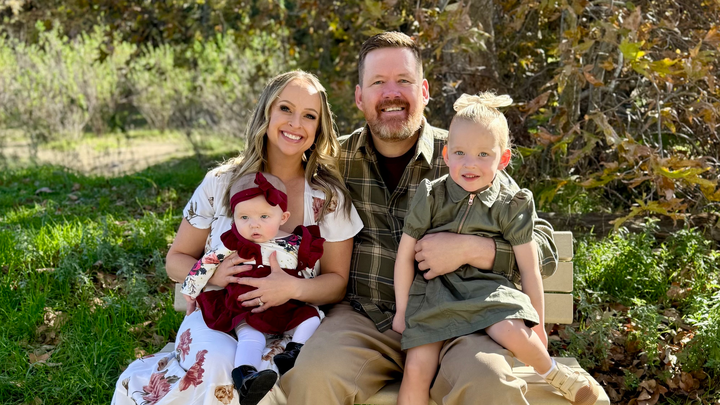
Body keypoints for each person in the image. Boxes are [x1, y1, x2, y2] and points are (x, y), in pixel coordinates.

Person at [281, 32, 559, 405]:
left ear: (424, 91)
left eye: (404, 80)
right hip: (367, 318)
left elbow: (544, 245)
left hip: (462, 320)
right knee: (312, 378)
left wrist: (474, 250)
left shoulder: (464, 152)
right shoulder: (334, 161)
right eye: (378, 82)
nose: (391, 93)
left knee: (490, 385)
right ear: (360, 97)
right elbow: (273, 171)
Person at [112, 70, 363, 405]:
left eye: (309, 116)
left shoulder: (328, 198)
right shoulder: (220, 183)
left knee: (274, 371)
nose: (295, 123)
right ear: (266, 113)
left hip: (288, 325)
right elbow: (175, 260)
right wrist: (213, 274)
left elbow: (336, 283)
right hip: (216, 317)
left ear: (319, 128)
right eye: (285, 109)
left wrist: (292, 288)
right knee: (219, 362)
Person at [392, 93, 600, 405]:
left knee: (511, 330)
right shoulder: (432, 196)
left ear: (502, 160)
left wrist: (538, 325)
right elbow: (405, 255)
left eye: (483, 154)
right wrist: (402, 310)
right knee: (416, 369)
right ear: (446, 155)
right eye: (460, 152)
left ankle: (555, 373)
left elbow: (529, 267)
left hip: (489, 292)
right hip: (435, 296)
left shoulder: (509, 203)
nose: (469, 163)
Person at [181, 171, 326, 405]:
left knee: (311, 317)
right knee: (251, 336)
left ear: (283, 217)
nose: (254, 224)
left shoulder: (294, 242)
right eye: (244, 217)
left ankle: (294, 352)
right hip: (247, 305)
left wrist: (301, 287)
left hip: (286, 305)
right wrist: (190, 290)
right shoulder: (233, 244)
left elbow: (306, 271)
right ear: (234, 220)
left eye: (264, 216)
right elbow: (205, 263)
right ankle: (246, 375)